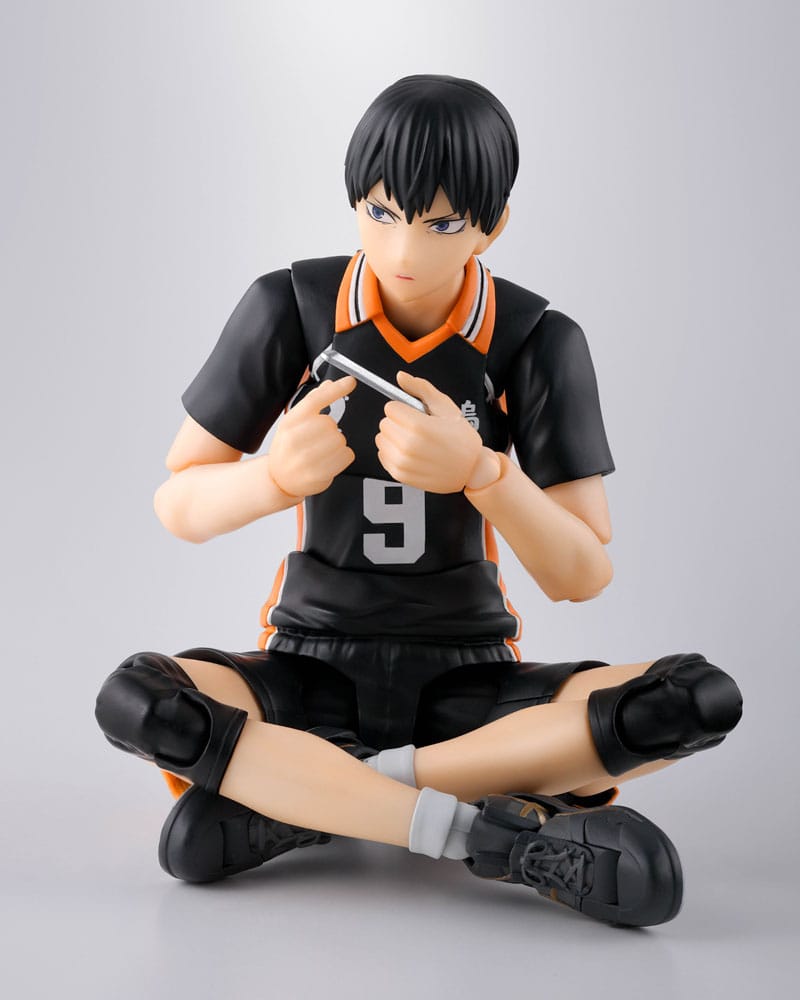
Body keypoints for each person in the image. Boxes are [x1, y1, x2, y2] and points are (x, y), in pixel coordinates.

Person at [95, 75, 742, 927]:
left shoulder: (535, 338)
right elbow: (177, 501)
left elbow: (582, 572)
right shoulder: (290, 307)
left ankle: (311, 794)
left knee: (692, 700)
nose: (403, 248)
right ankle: (483, 836)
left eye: (441, 224)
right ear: (353, 200)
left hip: (472, 686)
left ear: (492, 225)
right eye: (380, 211)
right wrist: (271, 479)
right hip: (306, 665)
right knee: (139, 699)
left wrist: (484, 474)